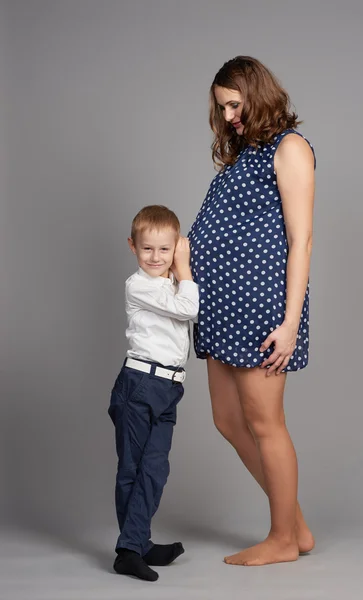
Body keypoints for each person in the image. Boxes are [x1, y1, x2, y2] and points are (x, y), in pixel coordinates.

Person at [188, 56, 316, 566]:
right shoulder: (244, 155)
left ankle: (283, 538)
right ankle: (297, 527)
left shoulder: (290, 148)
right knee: (226, 419)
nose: (229, 116)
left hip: (261, 309)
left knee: (266, 423)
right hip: (220, 309)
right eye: (222, 109)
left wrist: (289, 323)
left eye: (235, 105)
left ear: (257, 94)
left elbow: (301, 241)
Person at [108, 205, 199, 581]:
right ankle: (129, 550)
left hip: (168, 387)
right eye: (148, 249)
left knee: (155, 468)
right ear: (133, 246)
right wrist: (185, 265)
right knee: (133, 468)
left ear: (174, 246)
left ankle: (139, 542)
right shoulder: (139, 285)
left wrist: (180, 272)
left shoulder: (169, 283)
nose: (156, 257)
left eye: (165, 249)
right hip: (140, 385)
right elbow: (189, 309)